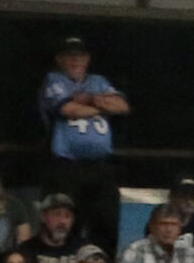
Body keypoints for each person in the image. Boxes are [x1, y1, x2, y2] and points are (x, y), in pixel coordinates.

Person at [38, 37, 129, 244]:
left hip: (100, 166)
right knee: (68, 222)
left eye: (79, 56)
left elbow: (122, 106)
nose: (75, 61)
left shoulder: (98, 81)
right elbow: (67, 109)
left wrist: (89, 99)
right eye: (70, 56)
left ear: (87, 59)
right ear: (60, 59)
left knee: (106, 220)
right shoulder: (54, 79)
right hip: (67, 165)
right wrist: (102, 105)